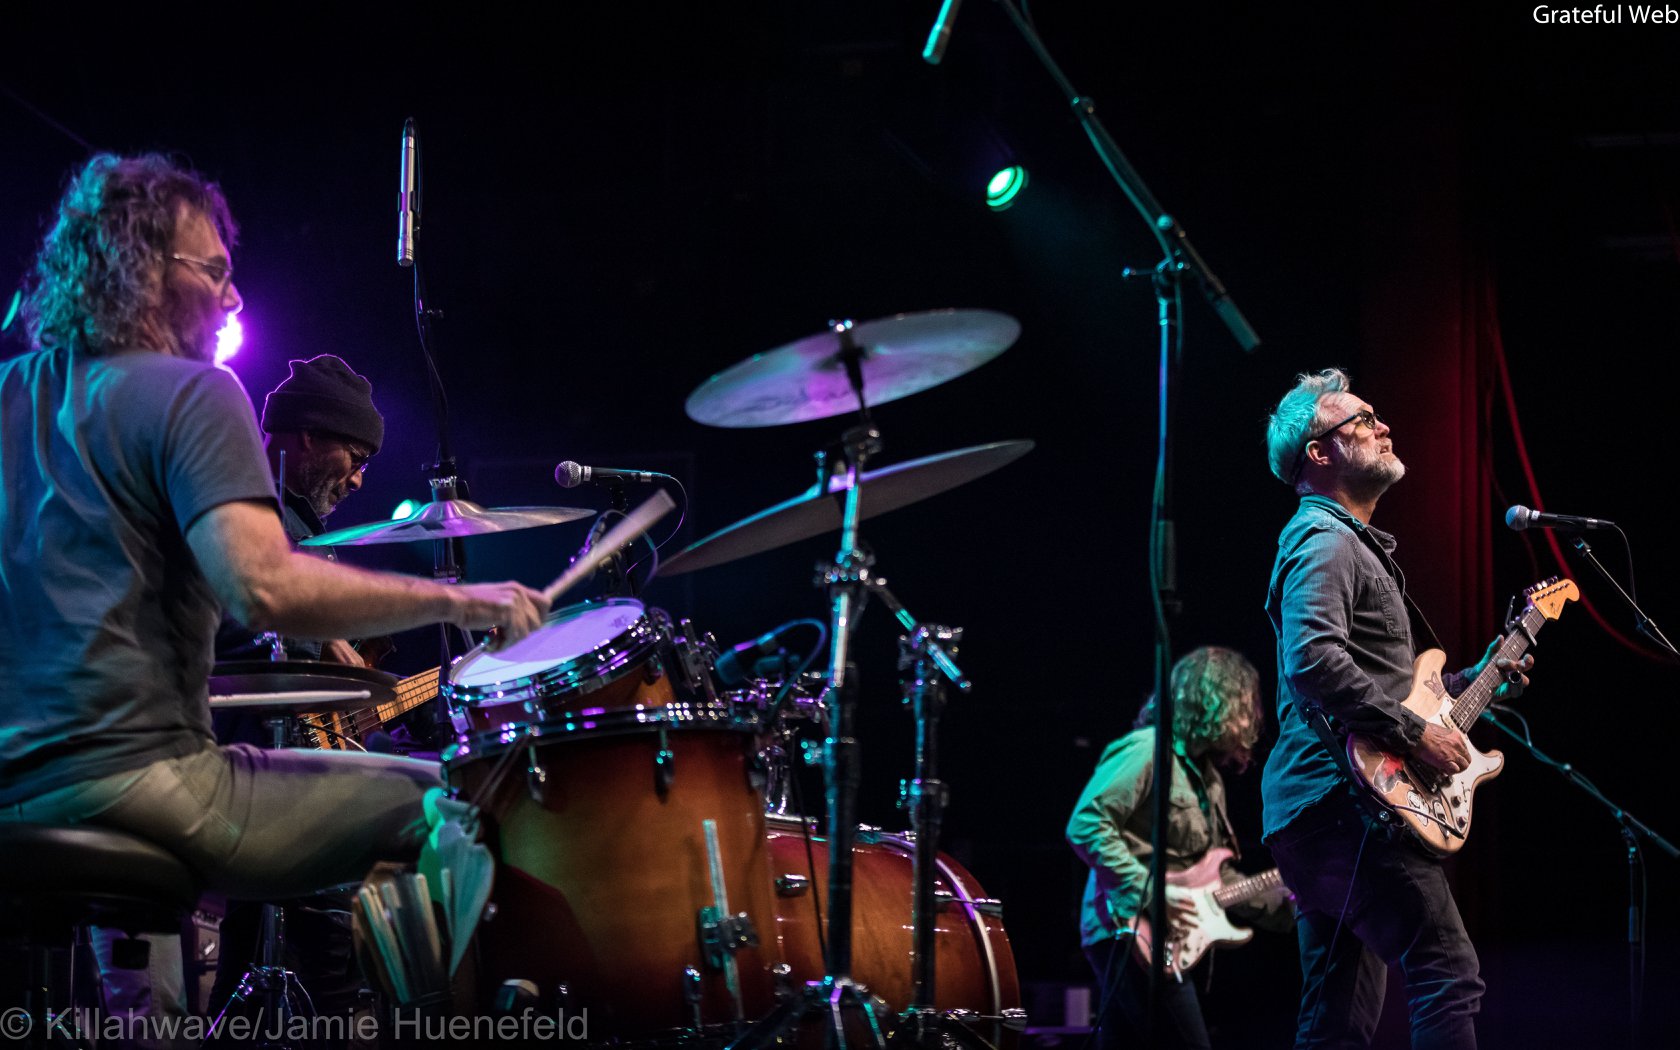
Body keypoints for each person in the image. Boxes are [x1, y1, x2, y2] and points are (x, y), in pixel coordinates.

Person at [0, 153, 547, 1039]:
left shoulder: (10, 393)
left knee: (151, 1000)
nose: (232, 299)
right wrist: (464, 602)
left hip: (14, 788)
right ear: (141, 267)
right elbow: (263, 587)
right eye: (214, 270)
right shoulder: (194, 393)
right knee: (461, 800)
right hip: (147, 785)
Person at [1260, 368, 1531, 1049]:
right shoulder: (1325, 540)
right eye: (1364, 420)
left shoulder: (1341, 543)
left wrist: (1485, 678)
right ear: (1319, 453)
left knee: (1337, 1018)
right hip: (1346, 804)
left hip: (1314, 808)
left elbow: (1381, 685)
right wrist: (1413, 735)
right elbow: (1312, 661)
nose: (1384, 427)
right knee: (1448, 972)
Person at [1067, 645, 1293, 1050]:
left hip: (1165, 939)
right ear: (1215, 699)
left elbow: (1214, 877)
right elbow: (1086, 824)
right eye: (1245, 703)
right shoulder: (1146, 749)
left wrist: (1283, 898)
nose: (1251, 717)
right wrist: (1153, 893)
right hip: (1126, 927)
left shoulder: (1210, 781)